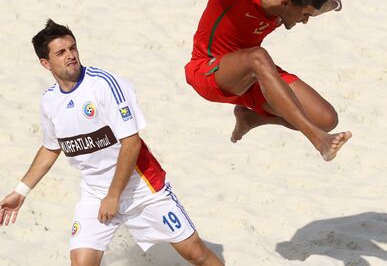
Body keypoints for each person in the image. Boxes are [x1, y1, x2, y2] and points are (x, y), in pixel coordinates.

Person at [0, 20, 223, 266]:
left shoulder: (105, 85)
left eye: (73, 48)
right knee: (81, 263)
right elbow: (51, 147)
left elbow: (132, 143)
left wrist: (114, 196)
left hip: (142, 189)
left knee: (197, 255)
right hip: (95, 193)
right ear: (45, 63)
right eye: (61, 52)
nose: (71, 56)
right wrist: (21, 192)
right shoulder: (50, 101)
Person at [185, 0, 352, 162]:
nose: (305, 21)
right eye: (304, 15)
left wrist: (337, 4)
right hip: (207, 71)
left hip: (252, 75)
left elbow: (326, 4)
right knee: (258, 56)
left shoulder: (287, 4)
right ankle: (318, 140)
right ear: (285, 2)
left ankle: (252, 118)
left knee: (326, 119)